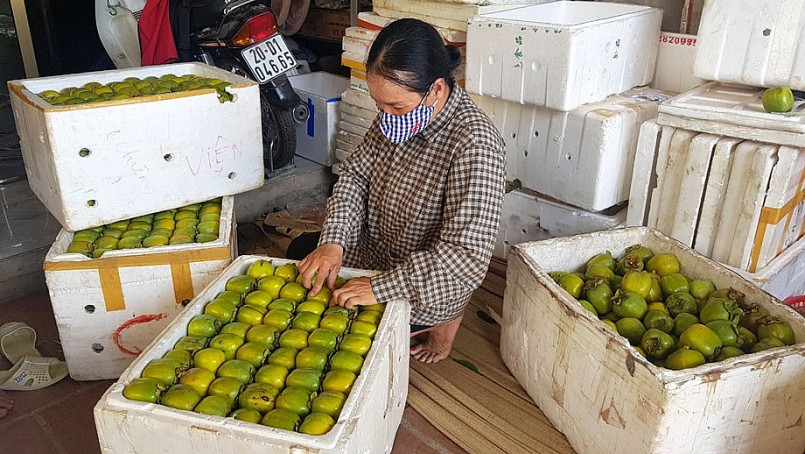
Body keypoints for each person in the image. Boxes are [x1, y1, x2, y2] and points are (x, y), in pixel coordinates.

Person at [298, 18, 506, 364]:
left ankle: (444, 322)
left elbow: (465, 259)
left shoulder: (475, 145)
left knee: (343, 343)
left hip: (424, 281)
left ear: (436, 90)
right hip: (376, 254)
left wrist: (379, 288)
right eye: (380, 106)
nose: (386, 117)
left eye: (396, 107)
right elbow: (354, 176)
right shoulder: (397, 116)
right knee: (306, 255)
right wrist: (334, 241)